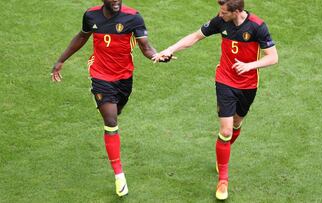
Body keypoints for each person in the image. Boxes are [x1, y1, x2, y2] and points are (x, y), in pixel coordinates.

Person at [153, 0, 278, 200]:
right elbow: (195, 37)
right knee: (226, 130)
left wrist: (249, 66)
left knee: (237, 124)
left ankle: (223, 154)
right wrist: (170, 49)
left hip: (248, 85)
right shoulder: (221, 22)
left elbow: (272, 57)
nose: (220, 16)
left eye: (224, 12)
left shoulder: (257, 26)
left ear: (237, 11)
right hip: (225, 81)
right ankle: (223, 180)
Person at [51, 0, 170, 197]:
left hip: (124, 78)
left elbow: (145, 47)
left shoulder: (133, 17)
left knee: (117, 111)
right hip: (100, 75)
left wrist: (158, 56)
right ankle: (119, 175)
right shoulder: (91, 16)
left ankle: (108, 107)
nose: (116, 0)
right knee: (111, 121)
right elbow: (82, 37)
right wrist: (61, 60)